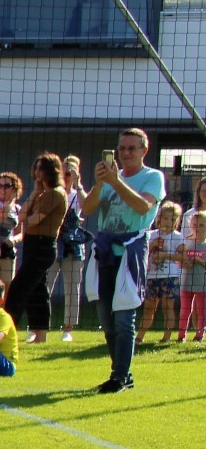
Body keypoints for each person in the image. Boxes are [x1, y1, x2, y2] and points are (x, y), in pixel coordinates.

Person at [85, 129, 162, 392]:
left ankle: (119, 376)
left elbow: (143, 207)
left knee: (124, 316)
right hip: (105, 251)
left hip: (131, 252)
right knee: (106, 318)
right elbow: (87, 209)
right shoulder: (108, 179)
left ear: (144, 150)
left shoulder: (152, 177)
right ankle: (121, 373)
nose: (126, 153)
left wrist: (116, 182)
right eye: (122, 148)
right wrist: (99, 184)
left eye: (132, 148)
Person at [6, 154, 67, 344]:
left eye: (42, 168)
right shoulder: (42, 193)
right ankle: (40, 335)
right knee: (38, 291)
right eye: (36, 168)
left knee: (18, 288)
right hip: (32, 244)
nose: (37, 172)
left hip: (43, 245)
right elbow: (22, 216)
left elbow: (31, 220)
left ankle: (6, 332)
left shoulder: (55, 193)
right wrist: (34, 192)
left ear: (51, 171)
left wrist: (28, 216)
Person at [46, 156, 88, 342]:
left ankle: (68, 328)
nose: (66, 174)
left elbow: (86, 207)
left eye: (70, 172)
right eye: (63, 171)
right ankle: (41, 325)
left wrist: (78, 185)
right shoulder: (53, 192)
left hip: (73, 245)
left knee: (72, 287)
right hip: (54, 242)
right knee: (46, 284)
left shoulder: (78, 194)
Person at [143, 201, 185, 344]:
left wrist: (166, 255)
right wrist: (152, 245)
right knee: (149, 307)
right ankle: (140, 336)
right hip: (152, 276)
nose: (169, 222)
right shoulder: (151, 235)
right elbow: (143, 253)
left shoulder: (177, 237)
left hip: (170, 277)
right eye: (166, 218)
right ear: (159, 218)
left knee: (167, 307)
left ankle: (166, 336)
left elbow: (183, 256)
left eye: (173, 219)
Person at [0, 173, 23, 283]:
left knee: (7, 286)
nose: (2, 189)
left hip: (8, 252)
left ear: (14, 188)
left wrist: (14, 240)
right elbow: (2, 216)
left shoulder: (17, 208)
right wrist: (11, 202)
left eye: (7, 186)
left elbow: (20, 233)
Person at [180, 207, 206, 342]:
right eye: (194, 224)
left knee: (202, 311)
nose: (197, 228)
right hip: (186, 283)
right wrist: (184, 263)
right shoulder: (186, 243)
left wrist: (199, 260)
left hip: (202, 284)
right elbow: (180, 262)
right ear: (190, 225)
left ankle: (199, 335)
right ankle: (181, 336)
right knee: (185, 310)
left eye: (201, 225)